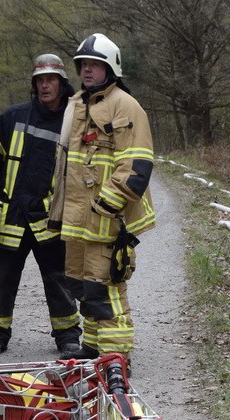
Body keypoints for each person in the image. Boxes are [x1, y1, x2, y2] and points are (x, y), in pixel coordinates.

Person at [50, 34, 156, 362]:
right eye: (83, 65)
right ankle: (93, 347)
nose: (87, 70)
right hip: (79, 221)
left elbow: (137, 162)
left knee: (106, 286)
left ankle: (114, 359)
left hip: (108, 217)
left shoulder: (125, 105)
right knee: (83, 286)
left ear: (111, 68)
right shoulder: (77, 103)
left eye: (95, 64)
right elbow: (67, 163)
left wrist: (110, 202)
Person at [0, 54, 82, 357]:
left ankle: (68, 335)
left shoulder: (73, 123)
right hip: (12, 215)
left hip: (50, 216)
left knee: (57, 278)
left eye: (51, 79)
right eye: (41, 80)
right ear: (35, 84)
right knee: (3, 278)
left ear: (62, 84)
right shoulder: (12, 117)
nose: (45, 85)